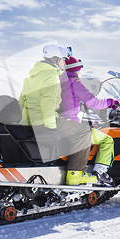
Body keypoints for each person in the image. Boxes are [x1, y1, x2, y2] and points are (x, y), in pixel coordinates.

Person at [18, 44, 97, 186]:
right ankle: (76, 173)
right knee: (84, 132)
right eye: (62, 59)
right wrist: (50, 128)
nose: (64, 63)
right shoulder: (51, 78)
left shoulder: (31, 78)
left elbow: (21, 101)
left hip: (28, 123)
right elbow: (47, 104)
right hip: (43, 122)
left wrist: (21, 124)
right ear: (55, 60)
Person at [59, 56, 120, 186]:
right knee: (107, 140)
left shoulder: (56, 82)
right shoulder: (74, 83)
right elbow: (92, 102)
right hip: (70, 125)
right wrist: (110, 102)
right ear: (75, 70)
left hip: (56, 123)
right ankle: (100, 173)